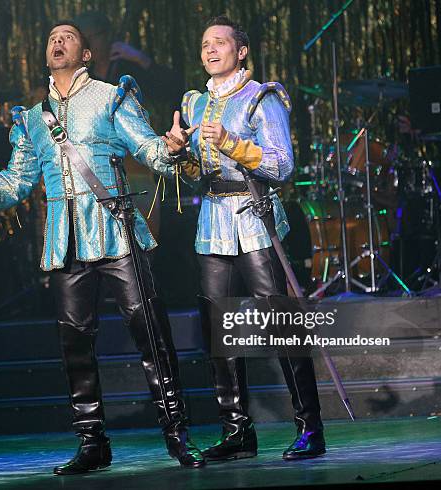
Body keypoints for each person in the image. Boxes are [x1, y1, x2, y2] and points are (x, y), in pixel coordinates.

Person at [0, 21, 204, 473]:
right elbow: (12, 185)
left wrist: (174, 148)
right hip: (64, 244)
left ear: (86, 54)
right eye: (51, 39)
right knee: (76, 348)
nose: (58, 42)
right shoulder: (31, 120)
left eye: (67, 36)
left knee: (152, 334)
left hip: (116, 231)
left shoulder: (111, 97)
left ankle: (177, 434)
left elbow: (150, 151)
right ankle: (92, 444)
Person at [164, 15, 326, 461]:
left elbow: (282, 166)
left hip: (255, 219)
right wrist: (180, 155)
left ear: (242, 51)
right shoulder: (194, 104)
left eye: (220, 42)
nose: (211, 49)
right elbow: (200, 177)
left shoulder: (261, 98)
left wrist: (233, 142)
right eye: (204, 44)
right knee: (221, 331)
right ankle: (238, 432)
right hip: (213, 223)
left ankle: (309, 427)